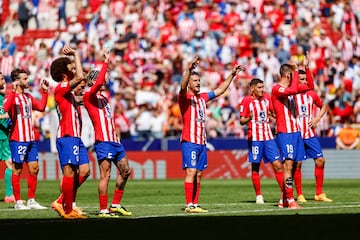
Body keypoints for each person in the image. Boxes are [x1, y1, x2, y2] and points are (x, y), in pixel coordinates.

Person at [179, 55, 245, 213]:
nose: (198, 83)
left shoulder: (202, 98)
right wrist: (189, 70)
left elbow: (220, 90)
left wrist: (232, 74)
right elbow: (181, 88)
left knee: (199, 173)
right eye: (195, 81)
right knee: (191, 171)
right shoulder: (184, 99)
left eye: (199, 81)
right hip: (190, 140)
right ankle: (189, 205)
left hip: (202, 141)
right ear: (189, 83)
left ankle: (195, 204)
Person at [83, 48, 132, 218]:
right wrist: (105, 62)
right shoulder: (88, 95)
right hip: (103, 141)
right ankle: (103, 210)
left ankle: (115, 205)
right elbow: (95, 84)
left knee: (126, 170)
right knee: (106, 174)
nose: (105, 79)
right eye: (102, 77)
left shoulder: (104, 97)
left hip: (114, 141)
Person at [49, 45, 89, 219]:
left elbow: (83, 81)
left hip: (75, 137)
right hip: (67, 135)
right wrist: (76, 54)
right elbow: (80, 77)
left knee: (85, 171)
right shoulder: (60, 88)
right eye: (71, 68)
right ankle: (67, 210)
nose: (74, 70)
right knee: (69, 172)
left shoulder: (69, 93)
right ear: (64, 74)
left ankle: (61, 201)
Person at [271, 58, 314, 209]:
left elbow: (310, 86)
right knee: (288, 165)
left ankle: (283, 199)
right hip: (285, 132)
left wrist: (306, 68)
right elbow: (294, 90)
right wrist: (296, 70)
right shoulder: (277, 89)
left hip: (296, 132)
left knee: (295, 165)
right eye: (294, 75)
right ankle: (290, 200)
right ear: (288, 76)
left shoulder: (291, 89)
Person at [3, 68, 48, 210]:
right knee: (17, 169)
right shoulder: (11, 97)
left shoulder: (28, 97)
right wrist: (13, 91)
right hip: (18, 139)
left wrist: (45, 92)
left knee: (34, 168)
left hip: (30, 139)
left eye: (27, 78)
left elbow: (41, 107)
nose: (27, 81)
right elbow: (5, 108)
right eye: (24, 79)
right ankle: (18, 202)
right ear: (17, 81)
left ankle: (31, 200)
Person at [239, 78, 284, 205]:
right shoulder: (247, 100)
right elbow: (241, 120)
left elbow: (272, 112)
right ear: (252, 89)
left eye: (262, 87)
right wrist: (250, 117)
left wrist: (276, 115)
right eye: (259, 87)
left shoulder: (267, 98)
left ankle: (284, 193)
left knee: (277, 165)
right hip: (254, 138)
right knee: (255, 167)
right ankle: (258, 195)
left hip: (268, 137)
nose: (262, 90)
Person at [293, 69, 333, 203]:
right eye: (301, 80)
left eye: (305, 79)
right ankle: (299, 194)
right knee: (297, 163)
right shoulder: (292, 95)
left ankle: (319, 193)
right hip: (296, 133)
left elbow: (324, 106)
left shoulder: (311, 94)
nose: (304, 82)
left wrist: (317, 119)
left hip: (310, 133)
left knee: (321, 160)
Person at [0, 72, 15, 203]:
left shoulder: (3, 97)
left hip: (3, 136)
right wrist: (6, 116)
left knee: (10, 163)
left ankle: (9, 195)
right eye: (0, 79)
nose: (3, 81)